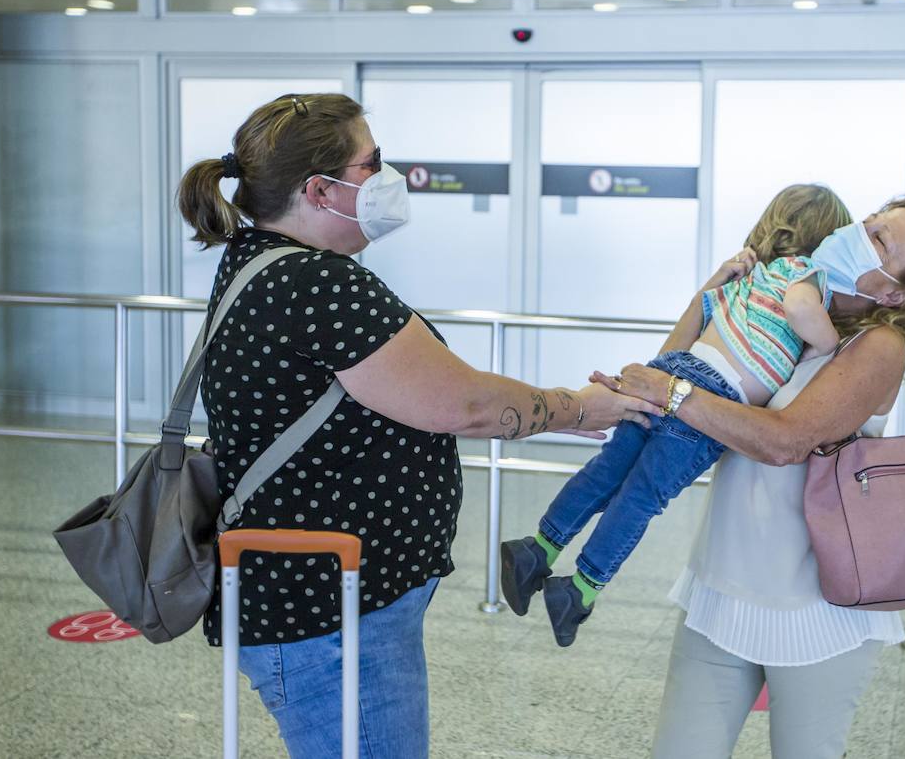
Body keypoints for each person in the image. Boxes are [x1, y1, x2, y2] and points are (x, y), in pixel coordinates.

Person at [175, 92, 657, 759]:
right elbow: (464, 404)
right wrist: (580, 409)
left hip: (327, 604)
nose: (389, 177)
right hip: (330, 616)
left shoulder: (267, 265)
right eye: (372, 163)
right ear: (320, 189)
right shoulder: (313, 284)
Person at [604, 195, 905, 759]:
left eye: (881, 240)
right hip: (721, 584)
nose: (859, 232)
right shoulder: (793, 311)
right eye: (868, 224)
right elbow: (670, 371)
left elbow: (784, 439)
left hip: (817, 609)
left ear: (894, 291)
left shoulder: (878, 347)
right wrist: (712, 294)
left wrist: (678, 395)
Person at [500, 185, 852, 647]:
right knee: (643, 496)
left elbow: (684, 333)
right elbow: (802, 309)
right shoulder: (807, 273)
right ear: (829, 238)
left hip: (672, 373)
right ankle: (580, 589)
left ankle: (539, 548)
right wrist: (832, 346)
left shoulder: (749, 277)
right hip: (710, 402)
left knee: (608, 471)